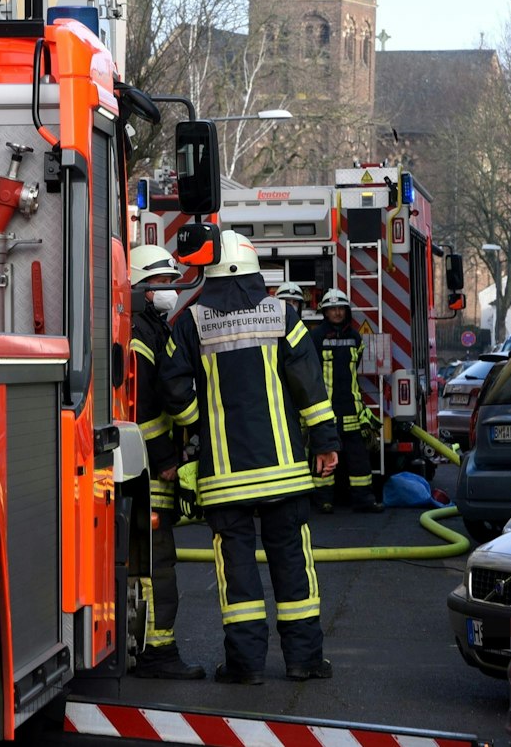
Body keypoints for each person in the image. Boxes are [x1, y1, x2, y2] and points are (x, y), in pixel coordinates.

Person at [158, 231, 340, 684]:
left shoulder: (191, 322)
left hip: (225, 477)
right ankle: (303, 661)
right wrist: (325, 442)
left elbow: (174, 389)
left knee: (237, 573)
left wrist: (198, 424)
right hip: (284, 473)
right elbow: (310, 387)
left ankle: (245, 666)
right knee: (293, 566)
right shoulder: (284, 314)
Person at [126, 244, 205, 680]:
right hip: (149, 472)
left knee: (153, 563)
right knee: (158, 564)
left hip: (149, 468)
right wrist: (168, 459)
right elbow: (140, 410)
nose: (169, 291)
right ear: (138, 287)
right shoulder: (140, 335)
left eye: (171, 283)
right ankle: (158, 653)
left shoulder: (151, 327)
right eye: (160, 284)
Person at [305, 290, 383, 513]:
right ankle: (323, 501)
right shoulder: (316, 337)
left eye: (340, 308)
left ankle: (363, 500)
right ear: (325, 312)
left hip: (351, 409)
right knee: (324, 456)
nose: (337, 312)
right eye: (332, 309)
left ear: (346, 311)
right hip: (325, 410)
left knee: (359, 459)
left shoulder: (356, 337)